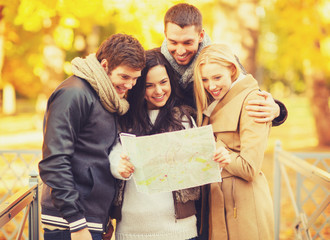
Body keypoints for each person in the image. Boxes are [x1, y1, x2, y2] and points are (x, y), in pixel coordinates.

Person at [109, 49, 231, 240]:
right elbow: (115, 152)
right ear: (139, 87)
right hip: (132, 229)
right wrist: (118, 166)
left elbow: (201, 160)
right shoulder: (125, 120)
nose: (158, 91)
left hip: (180, 228)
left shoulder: (183, 118)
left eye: (163, 82)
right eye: (149, 85)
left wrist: (219, 157)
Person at [38, 33, 146, 240]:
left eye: (135, 79)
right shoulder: (73, 93)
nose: (130, 85)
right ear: (105, 66)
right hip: (70, 223)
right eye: (124, 77)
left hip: (91, 219)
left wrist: (104, 219)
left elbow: (95, 156)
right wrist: (77, 224)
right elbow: (54, 161)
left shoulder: (104, 95)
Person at [194, 43, 274, 239]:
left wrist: (216, 147)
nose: (211, 86)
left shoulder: (252, 101)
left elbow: (249, 168)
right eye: (204, 79)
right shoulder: (215, 101)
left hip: (245, 205)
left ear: (232, 69)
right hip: (221, 203)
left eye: (217, 77)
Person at [160, 3, 287, 126]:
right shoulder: (157, 63)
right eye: (173, 42)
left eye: (188, 43)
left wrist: (277, 110)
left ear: (201, 36)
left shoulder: (219, 60)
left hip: (218, 141)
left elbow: (247, 94)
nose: (180, 51)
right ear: (166, 35)